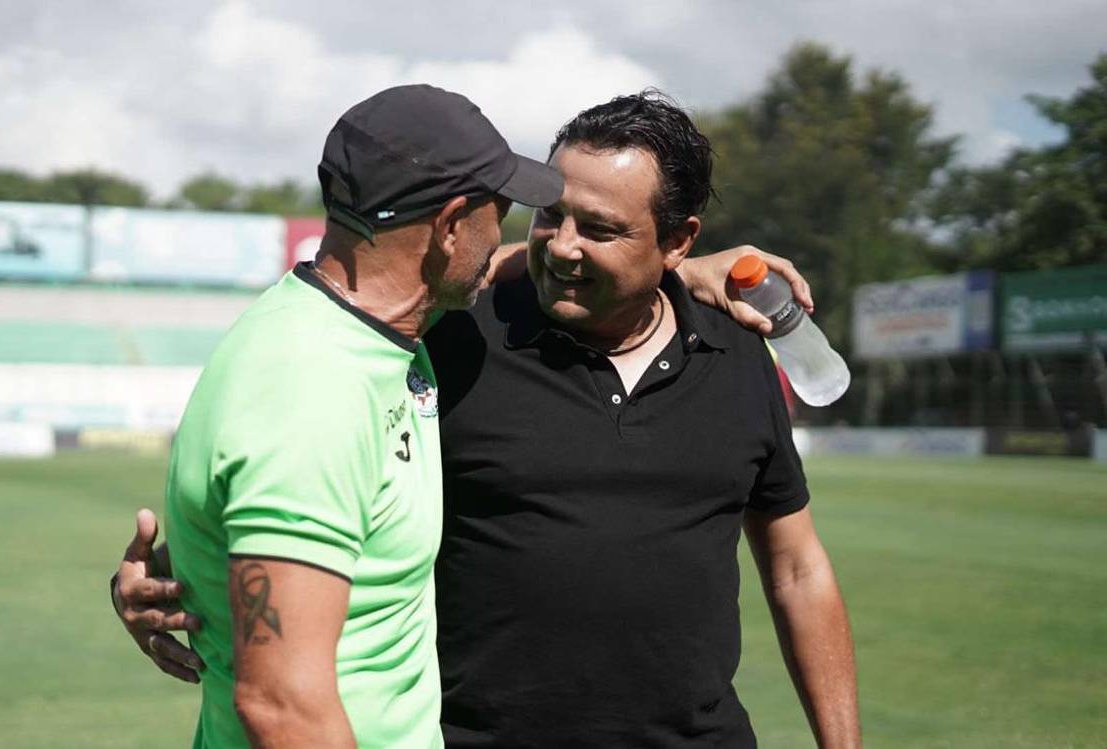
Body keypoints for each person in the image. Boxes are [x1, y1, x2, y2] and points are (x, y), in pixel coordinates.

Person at [115, 92, 859, 747]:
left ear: (677, 239)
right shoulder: (397, 357)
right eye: (539, 215)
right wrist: (188, 585)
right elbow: (283, 696)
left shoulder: (733, 352)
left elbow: (798, 566)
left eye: (599, 229)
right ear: (452, 226)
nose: (554, 245)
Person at [151, 83, 565, 749]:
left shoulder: (361, 329)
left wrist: (677, 272)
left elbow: (486, 267)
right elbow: (283, 706)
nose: (508, 232)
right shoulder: (313, 387)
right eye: (503, 210)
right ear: (453, 224)